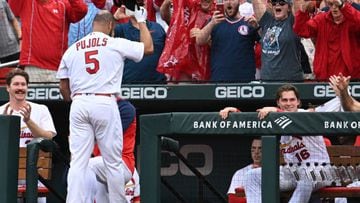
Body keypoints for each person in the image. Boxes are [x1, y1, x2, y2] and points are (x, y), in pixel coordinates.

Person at [56, 8, 153, 202]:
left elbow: (64, 88)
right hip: (104, 100)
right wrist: (141, 21)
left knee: (78, 163)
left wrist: (77, 97)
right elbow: (148, 48)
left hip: (79, 102)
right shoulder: (114, 42)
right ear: (110, 26)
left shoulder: (73, 48)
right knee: (112, 162)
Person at [220, 84, 331, 203]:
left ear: (298, 102)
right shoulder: (276, 119)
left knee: (306, 177)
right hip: (293, 172)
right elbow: (252, 123)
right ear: (278, 102)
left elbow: (292, 121)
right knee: (252, 176)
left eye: (292, 99)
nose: (288, 103)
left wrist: (276, 111)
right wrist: (235, 114)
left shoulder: (305, 115)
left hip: (320, 171)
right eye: (284, 100)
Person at [0, 69, 57, 203]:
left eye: (23, 84)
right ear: (8, 87)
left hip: (35, 176)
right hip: (7, 176)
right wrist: (5, 124)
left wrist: (28, 121)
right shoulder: (1, 111)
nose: (20, 88)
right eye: (16, 84)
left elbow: (48, 138)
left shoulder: (41, 109)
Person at [8, 0, 88, 83]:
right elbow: (13, 7)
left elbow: (81, 10)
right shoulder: (27, 3)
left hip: (57, 68)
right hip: (33, 67)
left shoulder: (63, 4)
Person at [87, 99, 140, 203]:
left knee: (87, 166)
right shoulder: (92, 108)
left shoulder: (125, 108)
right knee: (77, 171)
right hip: (101, 166)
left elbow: (108, 135)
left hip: (122, 163)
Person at [293, 0, 360, 81]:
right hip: (324, 77)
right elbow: (302, 31)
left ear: (346, 4)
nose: (334, 8)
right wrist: (302, 12)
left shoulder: (353, 19)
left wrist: (343, 7)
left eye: (337, 5)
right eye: (331, 4)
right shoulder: (321, 19)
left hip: (351, 78)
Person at [195, 0, 260, 82]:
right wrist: (211, 23)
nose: (229, 2)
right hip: (220, 78)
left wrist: (257, 27)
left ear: (239, 2)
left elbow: (263, 42)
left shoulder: (248, 22)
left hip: (245, 79)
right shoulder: (215, 21)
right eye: (226, 0)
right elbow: (200, 41)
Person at [253, 0, 304, 82]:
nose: (277, 5)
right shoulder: (267, 21)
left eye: (282, 3)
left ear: (289, 8)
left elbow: (299, 7)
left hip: (289, 80)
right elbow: (256, 2)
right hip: (267, 79)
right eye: (274, 3)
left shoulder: (292, 22)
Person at [114, 4, 167, 83]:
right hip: (128, 85)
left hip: (157, 84)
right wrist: (114, 18)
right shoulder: (120, 29)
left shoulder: (158, 27)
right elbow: (101, 38)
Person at [226, 137, 262, 203]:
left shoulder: (274, 172)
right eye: (253, 148)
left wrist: (245, 197)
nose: (256, 152)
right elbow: (232, 200)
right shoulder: (240, 173)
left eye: (260, 148)